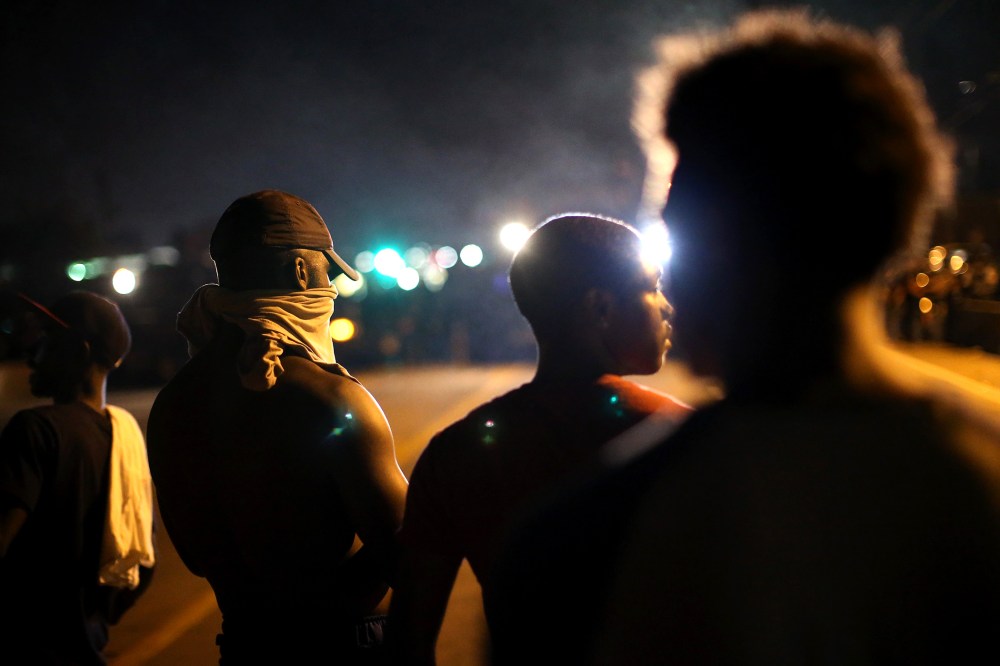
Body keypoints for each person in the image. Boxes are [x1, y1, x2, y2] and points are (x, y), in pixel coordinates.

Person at [488, 8, 1000, 665]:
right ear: (893, 220)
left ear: (713, 242)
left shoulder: (584, 542)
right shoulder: (978, 481)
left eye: (673, 219)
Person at [387, 212, 693, 664]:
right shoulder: (681, 438)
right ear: (600, 308)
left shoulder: (455, 453)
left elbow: (408, 639)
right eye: (653, 287)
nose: (668, 308)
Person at [146, 189, 408, 664]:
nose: (331, 291)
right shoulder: (331, 399)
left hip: (245, 646)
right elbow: (407, 555)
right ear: (302, 272)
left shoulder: (173, 403)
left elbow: (196, 557)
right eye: (328, 274)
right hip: (344, 646)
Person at [0, 290, 156, 665]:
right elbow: (145, 562)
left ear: (79, 351)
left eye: (47, 341)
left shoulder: (35, 430)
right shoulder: (123, 435)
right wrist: (92, 618)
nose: (31, 354)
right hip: (88, 648)